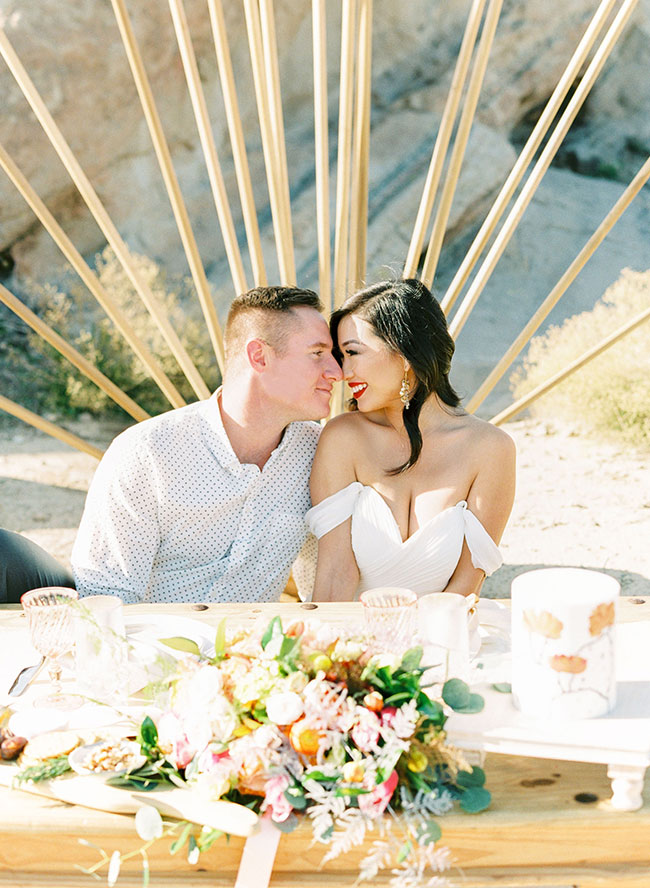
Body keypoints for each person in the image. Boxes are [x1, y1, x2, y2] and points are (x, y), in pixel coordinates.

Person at [68, 285, 342, 604]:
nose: (336, 372)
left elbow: (323, 575)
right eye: (317, 354)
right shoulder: (147, 453)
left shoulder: (321, 453)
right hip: (152, 647)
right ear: (259, 356)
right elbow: (105, 597)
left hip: (252, 652)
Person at [306, 278, 516, 602]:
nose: (344, 372)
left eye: (352, 353)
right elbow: (335, 573)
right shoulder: (343, 438)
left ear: (405, 353)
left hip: (442, 640)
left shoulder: (490, 450)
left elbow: (465, 588)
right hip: (351, 639)